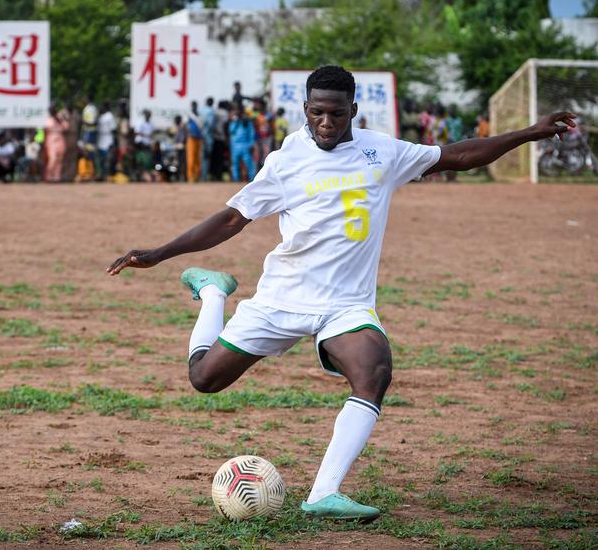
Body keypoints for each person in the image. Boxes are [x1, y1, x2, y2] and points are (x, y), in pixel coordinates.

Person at [106, 65, 578, 522]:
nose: (325, 123)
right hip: (281, 300)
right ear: (305, 109)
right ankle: (213, 293)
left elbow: (455, 155)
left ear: (353, 109)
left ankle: (324, 493)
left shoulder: (383, 152)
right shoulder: (287, 159)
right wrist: (161, 253)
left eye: (335, 113)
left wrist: (527, 133)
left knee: (373, 370)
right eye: (315, 113)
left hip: (344, 306)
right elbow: (233, 218)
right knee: (204, 379)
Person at [228, 104, 256, 182]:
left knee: (249, 163)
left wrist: (251, 144)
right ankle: (236, 179)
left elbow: (251, 134)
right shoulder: (234, 121)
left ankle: (252, 179)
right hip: (235, 146)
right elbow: (231, 131)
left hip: (245, 145)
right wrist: (236, 122)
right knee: (235, 164)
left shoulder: (247, 122)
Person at [44, 105, 69, 182]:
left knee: (59, 159)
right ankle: (48, 176)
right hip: (51, 139)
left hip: (60, 138)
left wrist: (60, 120)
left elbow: (66, 127)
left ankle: (56, 177)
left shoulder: (59, 118)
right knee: (53, 158)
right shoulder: (48, 120)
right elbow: (46, 128)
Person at [96, 101, 116, 181]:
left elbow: (113, 129)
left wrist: (113, 142)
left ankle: (107, 176)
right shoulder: (101, 116)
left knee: (108, 159)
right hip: (100, 139)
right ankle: (101, 175)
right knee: (100, 159)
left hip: (108, 139)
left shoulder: (110, 116)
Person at [185, 101, 203, 183]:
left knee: (197, 159)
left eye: (195, 105)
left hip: (198, 138)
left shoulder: (199, 115)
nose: (194, 107)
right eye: (193, 105)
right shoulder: (189, 115)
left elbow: (201, 127)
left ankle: (196, 176)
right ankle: (190, 177)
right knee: (191, 158)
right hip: (191, 139)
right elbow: (186, 126)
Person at [199, 97, 216, 181]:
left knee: (200, 157)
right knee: (206, 158)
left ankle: (200, 176)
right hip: (207, 138)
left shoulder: (200, 110)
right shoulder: (211, 111)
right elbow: (211, 125)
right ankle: (203, 177)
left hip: (199, 137)